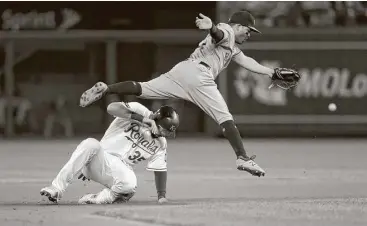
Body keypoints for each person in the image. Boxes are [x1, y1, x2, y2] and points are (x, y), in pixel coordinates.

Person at [79, 11, 300, 177]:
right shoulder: (229, 31)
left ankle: (107, 89)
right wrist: (212, 26)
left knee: (143, 88)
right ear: (239, 26)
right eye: (249, 30)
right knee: (225, 117)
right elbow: (219, 33)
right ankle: (242, 158)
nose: (250, 34)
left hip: (182, 70)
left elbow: (246, 61)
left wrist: (271, 72)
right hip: (199, 75)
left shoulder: (232, 46)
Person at [40, 101, 179, 204]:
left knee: (130, 184)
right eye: (164, 129)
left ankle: (97, 199)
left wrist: (162, 196)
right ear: (156, 119)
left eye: (168, 132)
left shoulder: (161, 143)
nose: (165, 134)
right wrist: (142, 119)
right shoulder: (139, 110)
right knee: (90, 143)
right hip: (100, 157)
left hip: (120, 170)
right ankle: (56, 188)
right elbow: (111, 108)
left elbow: (160, 169)